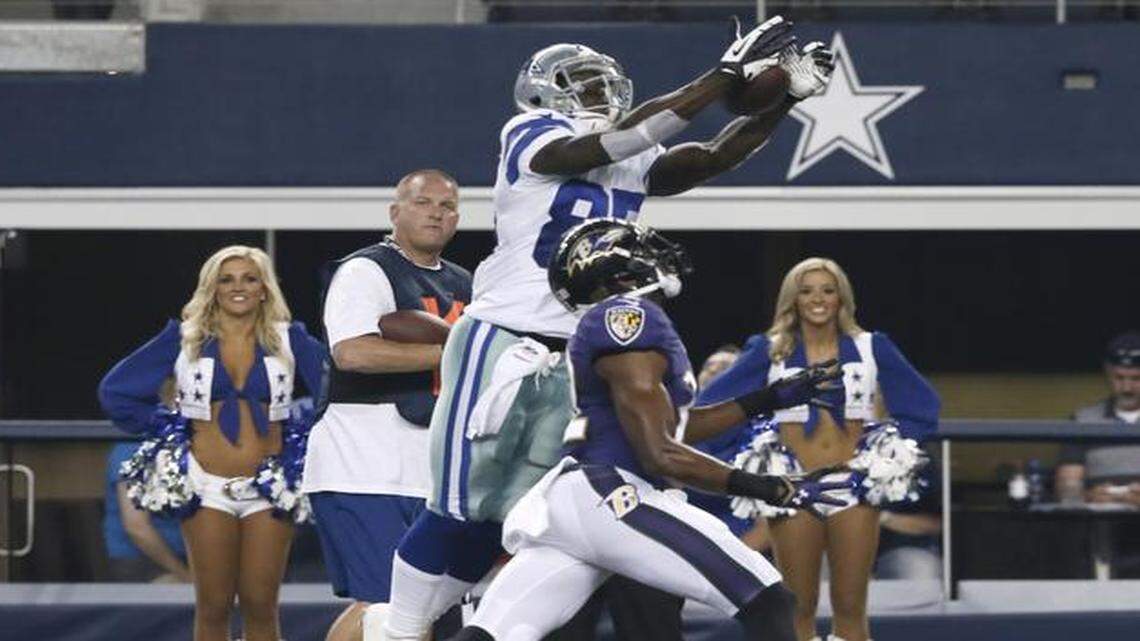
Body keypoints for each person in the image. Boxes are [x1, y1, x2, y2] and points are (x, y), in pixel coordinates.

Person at [382, 17, 838, 641]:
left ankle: (488, 621)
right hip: (504, 338)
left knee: (547, 509)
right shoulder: (531, 132)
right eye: (581, 83)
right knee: (467, 504)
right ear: (542, 92)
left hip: (582, 348)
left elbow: (711, 156)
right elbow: (611, 143)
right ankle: (400, 626)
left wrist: (784, 99)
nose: (596, 94)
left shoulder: (634, 161)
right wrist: (722, 77)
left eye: (603, 83)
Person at [450, 218, 849, 641]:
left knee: (497, 632)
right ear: (619, 271)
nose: (656, 256)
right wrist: (771, 488)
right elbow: (660, 452)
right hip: (615, 494)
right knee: (767, 598)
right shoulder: (628, 316)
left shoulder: (612, 323)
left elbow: (667, 429)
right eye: (641, 249)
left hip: (577, 500)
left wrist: (765, 400)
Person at [697, 257, 940, 641]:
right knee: (798, 607)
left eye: (828, 290)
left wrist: (883, 451)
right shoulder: (769, 350)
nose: (818, 299)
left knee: (851, 607)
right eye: (807, 290)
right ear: (792, 299)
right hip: (794, 488)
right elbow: (712, 406)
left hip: (853, 486)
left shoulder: (872, 346)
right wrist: (748, 449)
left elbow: (923, 405)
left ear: (842, 297)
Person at [98, 245, 326, 641]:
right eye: (227, 279)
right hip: (205, 486)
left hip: (270, 489)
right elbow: (116, 391)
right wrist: (166, 425)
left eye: (249, 278)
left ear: (264, 289)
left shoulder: (291, 339)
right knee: (214, 607)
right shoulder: (184, 339)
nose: (238, 287)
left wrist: (305, 431)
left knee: (261, 605)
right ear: (213, 287)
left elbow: (337, 390)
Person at [302, 169, 471, 641]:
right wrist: (455, 354)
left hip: (428, 470)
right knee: (389, 608)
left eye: (448, 205)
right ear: (395, 212)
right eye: (423, 202)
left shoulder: (463, 282)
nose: (437, 212)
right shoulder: (365, 269)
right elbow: (352, 353)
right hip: (362, 464)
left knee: (413, 613)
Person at [1055, 331, 1140, 506]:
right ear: (1107, 373)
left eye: (1136, 379)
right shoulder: (1082, 421)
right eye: (1119, 378)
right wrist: (1087, 496)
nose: (1127, 388)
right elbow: (1067, 487)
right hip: (1100, 524)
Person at [104, 440, 191, 583]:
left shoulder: (198, 447)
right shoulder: (131, 451)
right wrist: (187, 577)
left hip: (194, 557)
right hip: (143, 559)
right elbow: (137, 528)